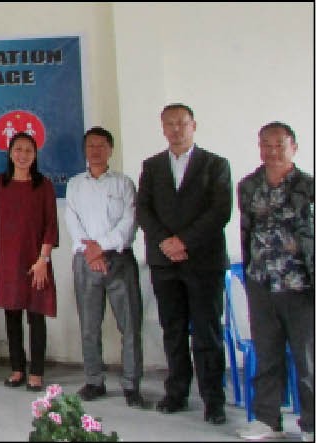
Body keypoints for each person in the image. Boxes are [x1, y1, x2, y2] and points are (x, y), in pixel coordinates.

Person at [136, 103, 232, 425]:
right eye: (170, 124)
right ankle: (176, 392)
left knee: (207, 333)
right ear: (162, 128)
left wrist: (184, 241)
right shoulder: (152, 166)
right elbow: (144, 209)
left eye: (182, 123)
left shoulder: (215, 164)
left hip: (203, 262)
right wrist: (165, 241)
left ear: (194, 125)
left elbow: (220, 212)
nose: (176, 129)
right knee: (173, 330)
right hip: (165, 263)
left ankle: (213, 401)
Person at [235, 122, 314, 441]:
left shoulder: (307, 186)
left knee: (306, 358)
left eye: (279, 145)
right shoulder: (248, 186)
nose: (271, 151)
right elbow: (247, 230)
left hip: (300, 286)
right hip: (261, 283)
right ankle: (267, 420)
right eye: (265, 144)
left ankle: (310, 423)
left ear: (293, 147)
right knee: (266, 354)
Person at [64, 127, 149, 408]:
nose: (96, 150)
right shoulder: (75, 184)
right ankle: (94, 381)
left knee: (130, 326)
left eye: (101, 145)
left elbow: (129, 224)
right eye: (90, 145)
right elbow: (73, 221)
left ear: (111, 150)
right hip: (86, 262)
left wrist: (100, 247)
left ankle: (131, 384)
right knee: (89, 326)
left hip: (119, 260)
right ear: (84, 150)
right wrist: (91, 251)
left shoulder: (124, 184)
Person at [0, 132, 58, 393]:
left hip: (37, 261)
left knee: (36, 317)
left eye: (28, 150)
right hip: (8, 261)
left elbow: (51, 225)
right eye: (18, 149)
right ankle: (17, 369)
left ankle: (36, 372)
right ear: (10, 153)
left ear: (35, 155)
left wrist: (43, 259)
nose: (23, 155)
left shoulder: (44, 185)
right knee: (12, 315)